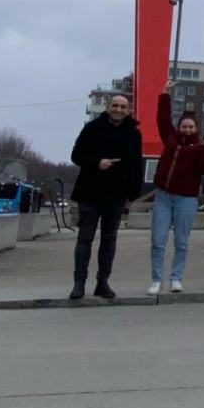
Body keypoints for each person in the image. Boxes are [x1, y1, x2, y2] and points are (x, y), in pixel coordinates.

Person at [69, 93, 143, 300]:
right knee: (85, 238)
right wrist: (97, 162)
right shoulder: (92, 128)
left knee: (109, 239)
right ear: (108, 107)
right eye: (115, 105)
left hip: (117, 195)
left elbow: (137, 166)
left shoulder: (133, 133)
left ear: (128, 110)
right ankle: (79, 283)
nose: (119, 109)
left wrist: (133, 195)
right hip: (90, 192)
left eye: (123, 106)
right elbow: (76, 155)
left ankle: (103, 282)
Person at [148, 80, 204, 295]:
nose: (187, 129)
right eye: (184, 126)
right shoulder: (170, 139)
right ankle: (156, 279)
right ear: (178, 127)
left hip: (186, 199)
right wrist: (165, 93)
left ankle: (176, 278)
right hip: (164, 197)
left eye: (190, 127)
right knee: (158, 240)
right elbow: (162, 118)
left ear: (196, 129)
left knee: (181, 241)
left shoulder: (199, 147)